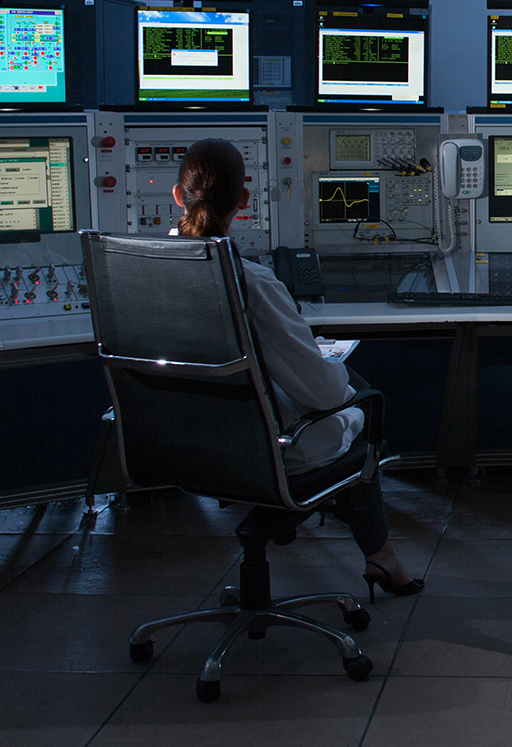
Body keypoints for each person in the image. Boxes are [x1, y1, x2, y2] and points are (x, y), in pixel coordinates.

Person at [171, 139, 421, 602]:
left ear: (176, 196)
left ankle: (377, 554)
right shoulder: (254, 282)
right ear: (245, 201)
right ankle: (379, 554)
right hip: (259, 451)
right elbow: (325, 394)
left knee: (346, 400)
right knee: (358, 402)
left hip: (176, 443)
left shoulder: (140, 270)